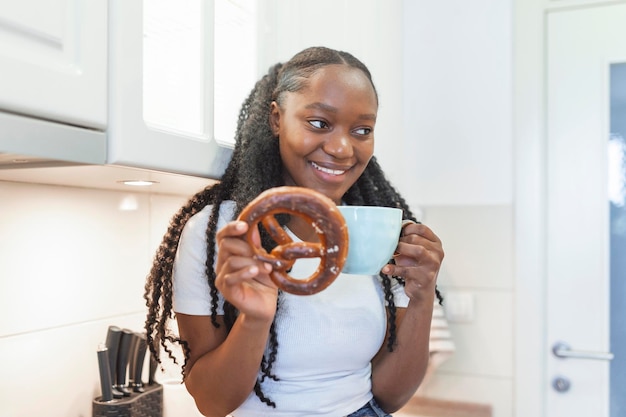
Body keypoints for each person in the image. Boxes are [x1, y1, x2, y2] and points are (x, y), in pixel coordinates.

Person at [144, 46, 444, 417]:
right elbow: (213, 402)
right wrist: (255, 318)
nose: (341, 148)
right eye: (319, 123)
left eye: (362, 130)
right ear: (276, 119)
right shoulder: (220, 233)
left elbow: (389, 398)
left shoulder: (378, 233)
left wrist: (422, 297)